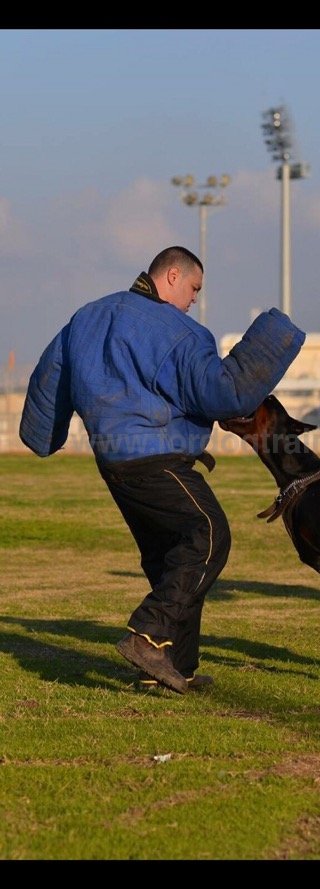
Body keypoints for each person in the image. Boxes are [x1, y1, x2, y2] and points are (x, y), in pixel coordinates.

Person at [19, 245, 305, 695]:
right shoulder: (179, 332)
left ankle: (171, 669)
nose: (194, 300)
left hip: (112, 461)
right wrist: (276, 335)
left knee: (170, 559)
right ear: (172, 276)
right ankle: (147, 635)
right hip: (156, 457)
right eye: (194, 289)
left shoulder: (87, 317)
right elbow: (224, 394)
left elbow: (49, 378)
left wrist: (42, 435)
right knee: (208, 535)